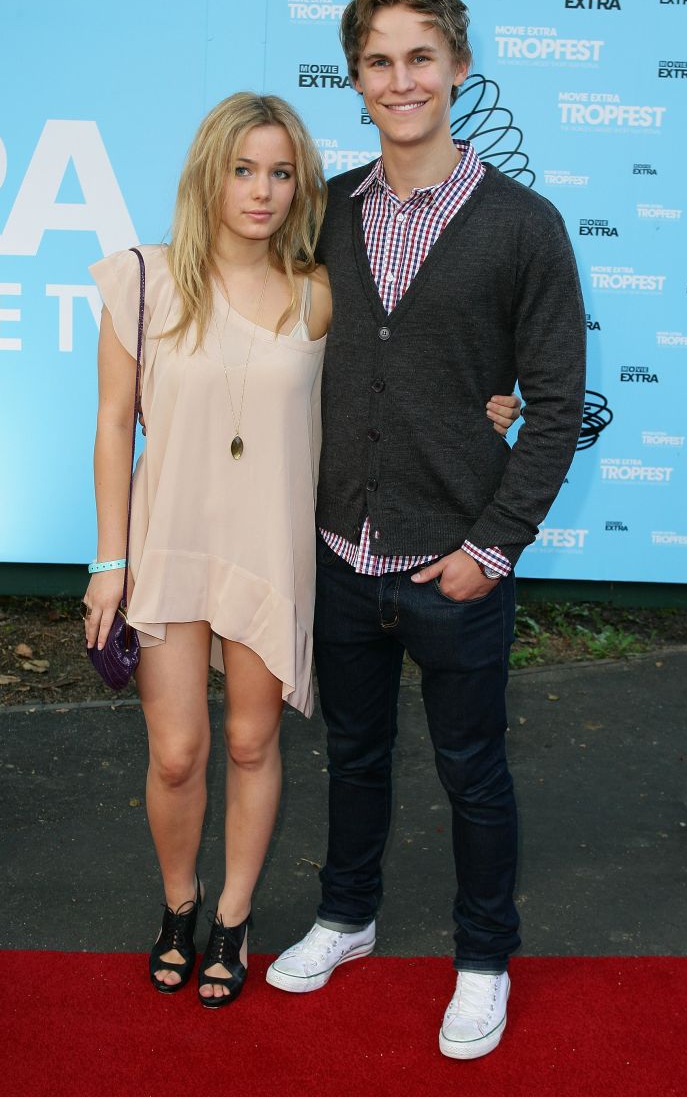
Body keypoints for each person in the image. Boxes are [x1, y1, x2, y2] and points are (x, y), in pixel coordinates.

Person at [82, 91, 521, 1008]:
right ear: (209, 174)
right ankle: (179, 903)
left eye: (281, 173)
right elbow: (113, 426)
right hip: (167, 545)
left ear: (300, 187)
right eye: (243, 170)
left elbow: (400, 373)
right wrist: (108, 565)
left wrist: (487, 403)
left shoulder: (323, 293)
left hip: (270, 551)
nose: (262, 191)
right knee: (176, 753)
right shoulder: (142, 279)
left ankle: (233, 919)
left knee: (251, 743)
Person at [266, 0, 586, 1062]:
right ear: (355, 80)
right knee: (354, 756)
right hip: (342, 554)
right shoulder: (325, 212)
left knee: (472, 772)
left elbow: (554, 406)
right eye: (378, 61)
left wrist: (490, 550)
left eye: (420, 57)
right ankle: (346, 915)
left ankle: (484, 959)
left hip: (454, 564)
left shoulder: (524, 225)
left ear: (457, 68)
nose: (400, 80)